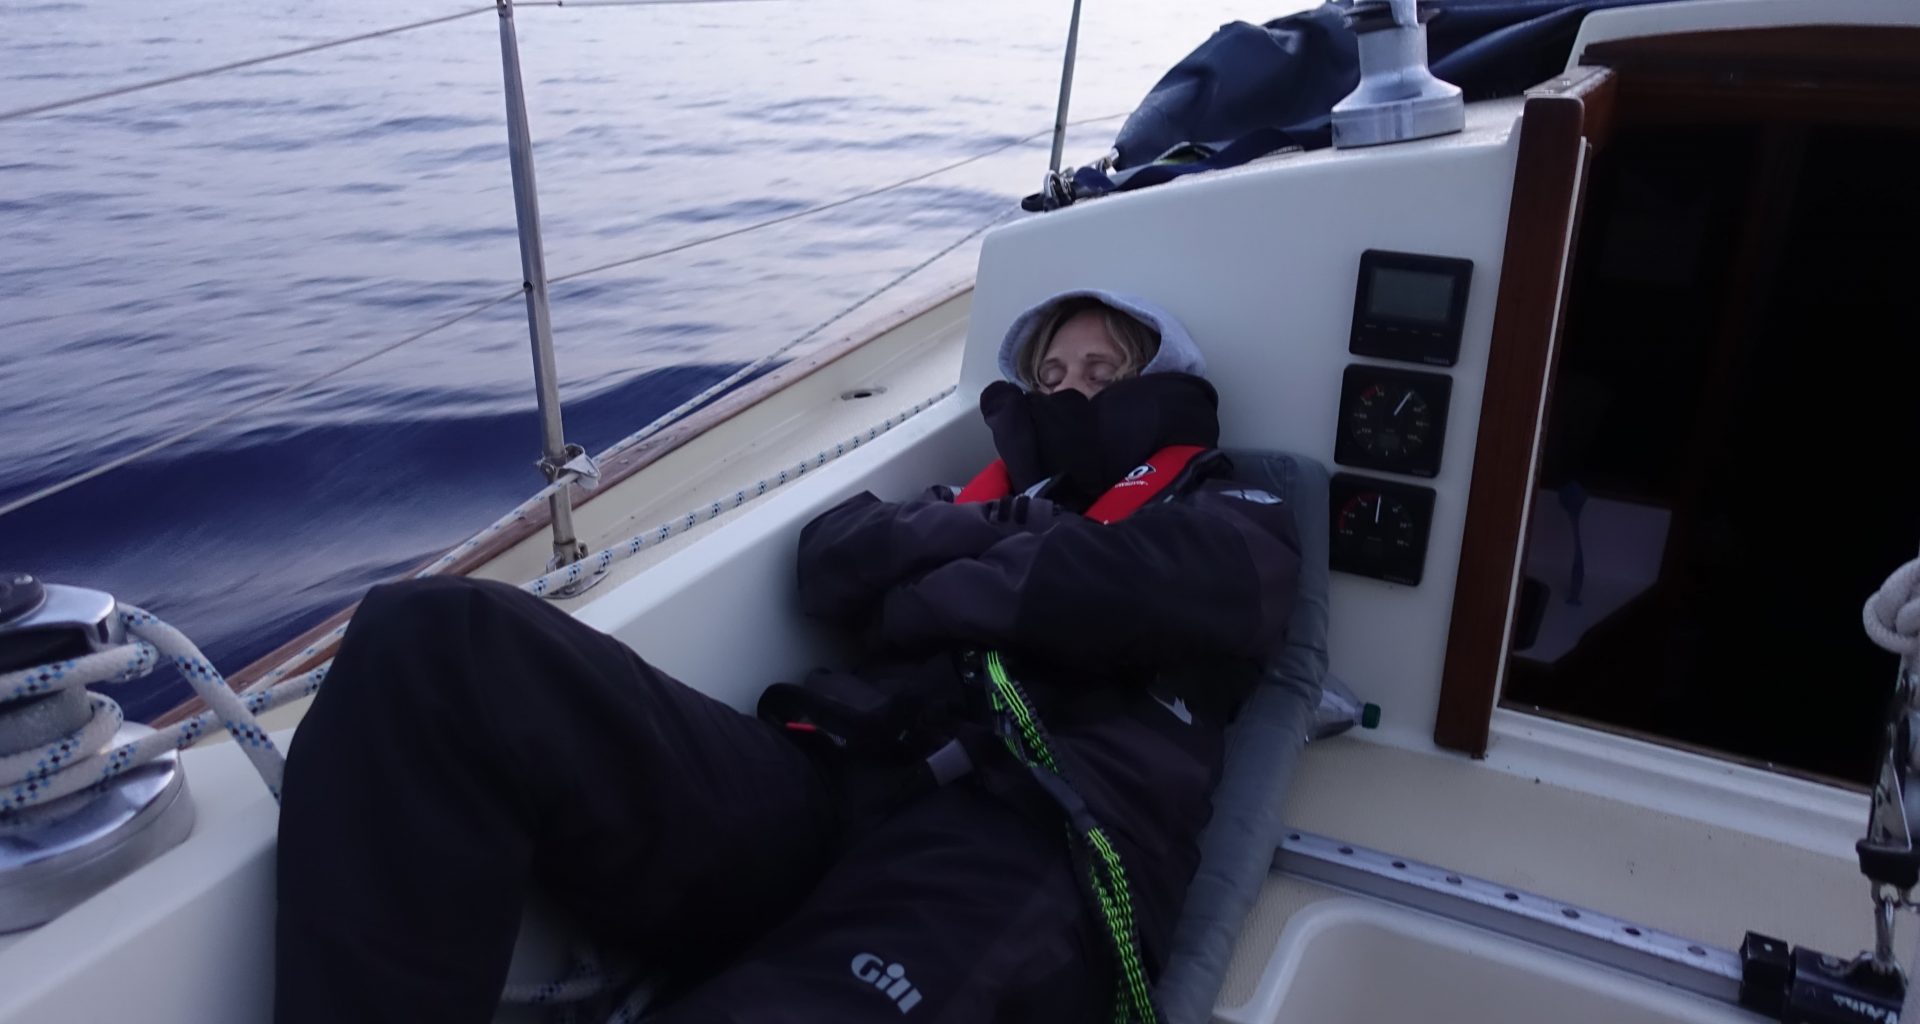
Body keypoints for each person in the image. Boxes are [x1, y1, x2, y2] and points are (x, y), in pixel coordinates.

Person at [273, 290, 1303, 1023]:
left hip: (1019, 836)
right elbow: (832, 557)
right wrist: (987, 555)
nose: (1066, 390)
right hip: (821, 787)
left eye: (1102, 372)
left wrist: (942, 575)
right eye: (1050, 371)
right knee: (434, 641)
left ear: (1160, 390)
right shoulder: (976, 497)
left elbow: (1142, 588)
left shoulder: (1234, 510)